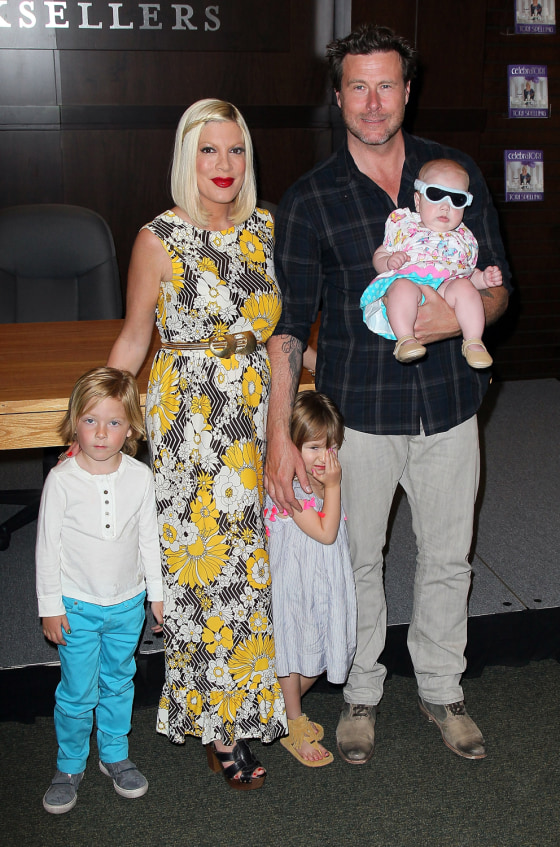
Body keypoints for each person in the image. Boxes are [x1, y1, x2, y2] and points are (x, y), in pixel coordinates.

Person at [265, 24, 511, 765]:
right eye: (358, 87)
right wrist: (280, 435)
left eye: (387, 85)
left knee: (447, 555)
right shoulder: (311, 199)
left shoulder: (454, 174)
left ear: (409, 89)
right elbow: (285, 330)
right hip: (357, 417)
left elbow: (499, 287)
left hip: (449, 405)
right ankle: (363, 692)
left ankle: (442, 684)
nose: (374, 103)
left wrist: (452, 321)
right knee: (357, 559)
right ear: (338, 95)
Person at [107, 98, 290, 790]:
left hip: (251, 409)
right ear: (188, 157)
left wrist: (289, 417)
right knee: (201, 574)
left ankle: (246, 708)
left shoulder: (265, 226)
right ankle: (215, 724)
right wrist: (91, 426)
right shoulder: (160, 236)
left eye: (235, 150)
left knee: (248, 572)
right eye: (208, 150)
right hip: (190, 418)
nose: (224, 165)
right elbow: (133, 339)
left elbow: (278, 332)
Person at [36, 367, 164, 814]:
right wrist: (50, 607)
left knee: (118, 681)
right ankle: (70, 763)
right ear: (75, 422)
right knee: (77, 690)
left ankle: (114, 754)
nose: (102, 433)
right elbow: (46, 549)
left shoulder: (140, 477)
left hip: (127, 604)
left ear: (131, 427)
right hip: (76, 606)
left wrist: (157, 594)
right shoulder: (62, 481)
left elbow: (150, 538)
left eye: (114, 422)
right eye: (91, 421)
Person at [265, 392, 356, 767]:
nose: (325, 457)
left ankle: (270, 709)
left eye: (331, 447)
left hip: (320, 584)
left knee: (315, 655)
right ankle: (291, 720)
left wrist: (325, 485)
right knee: (293, 654)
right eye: (315, 447)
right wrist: (332, 487)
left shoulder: (313, 482)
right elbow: (326, 533)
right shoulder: (289, 491)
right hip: (296, 587)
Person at [361, 158, 503, 367]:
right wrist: (388, 261)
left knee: (464, 287)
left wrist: (483, 278)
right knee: (401, 288)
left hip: (446, 290)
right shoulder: (404, 226)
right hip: (409, 283)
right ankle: (406, 339)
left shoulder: (462, 237)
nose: (445, 207)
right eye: (436, 195)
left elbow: (468, 272)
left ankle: (473, 341)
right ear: (418, 201)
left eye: (457, 199)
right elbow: (380, 254)